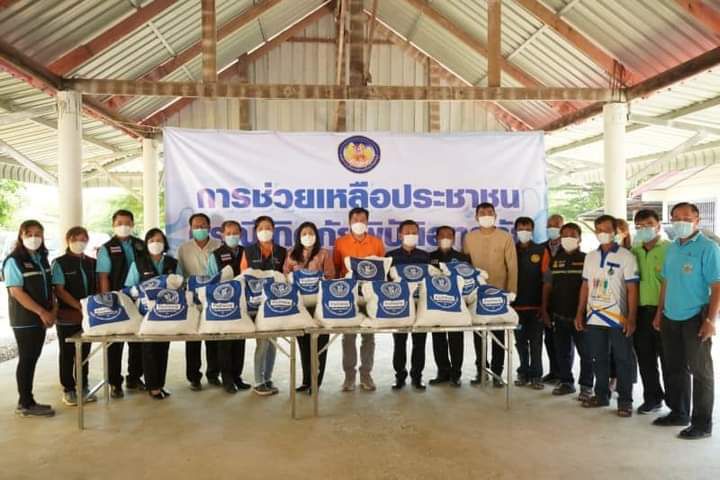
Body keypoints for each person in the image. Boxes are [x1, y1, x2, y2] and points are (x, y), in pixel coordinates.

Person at [652, 202, 718, 440]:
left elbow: (717, 285)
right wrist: (659, 312)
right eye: (676, 217)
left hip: (695, 317)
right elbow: (666, 282)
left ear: (697, 220)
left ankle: (702, 424)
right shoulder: (672, 248)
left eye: (687, 218)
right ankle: (679, 413)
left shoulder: (708, 247)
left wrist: (711, 320)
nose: (681, 222)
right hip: (670, 316)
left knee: (701, 372)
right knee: (674, 367)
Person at [575, 214, 638, 417]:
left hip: (618, 318)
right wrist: (580, 312)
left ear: (615, 232)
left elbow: (632, 289)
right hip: (594, 317)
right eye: (599, 230)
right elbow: (585, 286)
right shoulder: (590, 257)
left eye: (607, 230)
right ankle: (601, 395)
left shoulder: (626, 257)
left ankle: (625, 401)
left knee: (623, 359)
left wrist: (632, 318)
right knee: (598, 358)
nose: (603, 233)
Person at [3, 220, 55, 417]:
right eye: (29, 234)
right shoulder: (14, 261)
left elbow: (48, 287)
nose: (34, 238)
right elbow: (16, 292)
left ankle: (28, 400)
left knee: (32, 357)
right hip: (25, 319)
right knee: (27, 358)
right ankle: (25, 403)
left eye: (38, 234)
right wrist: (42, 312)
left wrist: (52, 311)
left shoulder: (41, 258)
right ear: (21, 236)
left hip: (41, 318)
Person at [463, 202, 517, 387]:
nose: (486, 215)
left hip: (500, 294)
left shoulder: (505, 237)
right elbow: (466, 267)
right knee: (479, 335)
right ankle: (481, 371)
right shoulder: (469, 238)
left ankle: (497, 373)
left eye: (489, 212)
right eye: (482, 212)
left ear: (495, 215)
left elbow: (512, 267)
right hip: (476, 294)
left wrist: (512, 291)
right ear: (476, 217)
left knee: (498, 335)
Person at [124, 228, 180, 400]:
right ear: (146, 244)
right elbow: (128, 287)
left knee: (163, 348)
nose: (156, 243)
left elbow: (180, 283)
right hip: (145, 313)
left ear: (164, 243)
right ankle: (153, 387)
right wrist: (137, 291)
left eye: (159, 240)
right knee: (148, 349)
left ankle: (160, 384)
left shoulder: (172, 262)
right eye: (151, 241)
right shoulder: (138, 263)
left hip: (167, 311)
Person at [333, 207, 385, 392]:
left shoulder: (377, 243)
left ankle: (366, 375)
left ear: (368, 222)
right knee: (348, 336)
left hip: (371, 295)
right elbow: (337, 269)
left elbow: (382, 269)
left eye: (362, 219)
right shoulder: (340, 243)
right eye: (355, 220)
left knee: (368, 337)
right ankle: (349, 376)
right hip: (349, 294)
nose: (359, 223)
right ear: (349, 222)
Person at [96, 209, 146, 398]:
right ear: (113, 225)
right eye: (119, 223)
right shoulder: (106, 248)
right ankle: (115, 383)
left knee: (138, 341)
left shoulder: (141, 245)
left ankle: (134, 377)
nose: (123, 226)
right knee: (115, 344)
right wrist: (108, 300)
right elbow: (103, 276)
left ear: (133, 224)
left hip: (139, 298)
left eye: (127, 223)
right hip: (117, 298)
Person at [541, 223, 593, 400]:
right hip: (559, 314)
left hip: (581, 316)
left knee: (586, 353)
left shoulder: (587, 259)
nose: (568, 238)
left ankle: (586, 386)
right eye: (565, 235)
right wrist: (544, 309)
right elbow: (547, 285)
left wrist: (583, 312)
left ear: (579, 238)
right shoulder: (555, 260)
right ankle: (566, 382)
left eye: (572, 235)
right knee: (562, 352)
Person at [283, 221, 334, 394]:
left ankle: (316, 383)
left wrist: (317, 279)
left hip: (320, 305)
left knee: (320, 346)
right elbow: (286, 275)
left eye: (311, 233)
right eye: (304, 233)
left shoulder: (324, 253)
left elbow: (330, 275)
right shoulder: (292, 254)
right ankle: (306, 381)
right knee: (304, 345)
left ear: (316, 236)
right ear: (299, 236)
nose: (307, 236)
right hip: (300, 307)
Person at [240, 215, 287, 396]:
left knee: (273, 342)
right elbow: (243, 275)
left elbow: (284, 275)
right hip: (255, 303)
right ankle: (259, 381)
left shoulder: (281, 251)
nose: (265, 231)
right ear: (256, 232)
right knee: (262, 343)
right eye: (261, 228)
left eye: (268, 228)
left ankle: (268, 378)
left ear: (273, 230)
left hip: (276, 302)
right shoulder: (248, 251)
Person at [51, 226, 98, 406]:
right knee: (67, 352)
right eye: (76, 239)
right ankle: (68, 388)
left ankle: (83, 385)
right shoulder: (60, 263)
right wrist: (79, 306)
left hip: (87, 316)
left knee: (84, 352)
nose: (80, 242)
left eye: (83, 239)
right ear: (68, 240)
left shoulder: (91, 262)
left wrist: (90, 308)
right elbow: (59, 290)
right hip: (67, 315)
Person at [177, 212, 221, 391]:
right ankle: (194, 377)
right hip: (192, 299)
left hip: (213, 297)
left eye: (203, 225)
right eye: (196, 226)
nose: (200, 229)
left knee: (213, 337)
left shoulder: (218, 246)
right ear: (191, 228)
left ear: (209, 227)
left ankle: (213, 374)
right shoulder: (184, 249)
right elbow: (179, 275)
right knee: (192, 339)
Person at [631, 209, 669, 414]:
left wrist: (660, 313)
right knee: (645, 358)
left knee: (668, 359)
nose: (644, 229)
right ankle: (652, 398)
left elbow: (669, 283)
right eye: (640, 226)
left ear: (658, 226)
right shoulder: (634, 250)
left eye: (649, 225)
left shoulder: (670, 249)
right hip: (640, 311)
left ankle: (675, 404)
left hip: (665, 311)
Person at [208, 220, 250, 394]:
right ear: (222, 235)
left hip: (242, 302)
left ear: (240, 234)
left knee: (240, 340)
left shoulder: (246, 252)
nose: (232, 236)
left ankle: (237, 377)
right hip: (223, 303)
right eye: (228, 233)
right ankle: (227, 379)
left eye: (235, 232)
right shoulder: (216, 255)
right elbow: (212, 279)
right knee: (225, 342)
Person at [387, 220, 430, 391]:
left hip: (420, 305)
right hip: (399, 305)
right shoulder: (391, 256)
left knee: (420, 343)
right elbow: (387, 281)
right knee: (399, 342)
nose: (411, 235)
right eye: (407, 232)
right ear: (400, 235)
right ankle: (399, 377)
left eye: (414, 232)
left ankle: (417, 377)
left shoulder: (425, 256)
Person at [429, 226, 468, 387]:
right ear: (436, 238)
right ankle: (442, 372)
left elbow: (468, 279)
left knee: (456, 338)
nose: (445, 238)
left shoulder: (462, 257)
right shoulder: (430, 257)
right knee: (438, 338)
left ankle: (456, 374)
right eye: (442, 235)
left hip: (456, 303)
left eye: (449, 235)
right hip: (435, 302)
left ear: (453, 238)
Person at [512, 217, 545, 390]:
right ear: (515, 231)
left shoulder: (541, 250)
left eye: (527, 228)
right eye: (520, 228)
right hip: (516, 307)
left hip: (536, 306)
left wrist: (544, 306)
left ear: (532, 230)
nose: (524, 231)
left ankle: (537, 375)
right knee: (520, 342)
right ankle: (523, 372)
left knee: (536, 342)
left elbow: (547, 280)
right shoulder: (511, 249)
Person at [541, 214, 564, 384]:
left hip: (565, 300)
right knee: (549, 339)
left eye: (556, 225)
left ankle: (564, 375)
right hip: (546, 298)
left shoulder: (571, 249)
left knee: (564, 342)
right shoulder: (542, 248)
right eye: (549, 225)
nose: (552, 228)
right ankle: (553, 371)